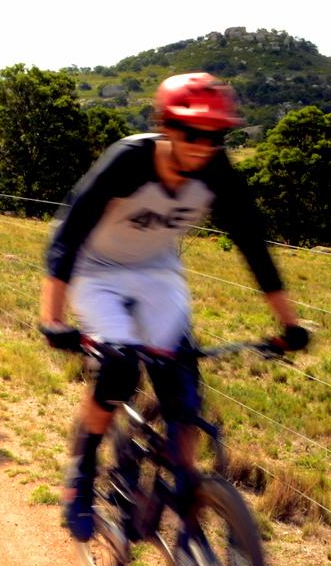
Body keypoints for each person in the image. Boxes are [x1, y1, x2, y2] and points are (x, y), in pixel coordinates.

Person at [37, 72, 310, 541]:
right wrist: (53, 318)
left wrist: (289, 324)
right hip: (99, 272)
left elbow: (252, 246)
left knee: (183, 392)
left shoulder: (216, 171)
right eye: (192, 132)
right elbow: (67, 236)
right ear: (165, 125)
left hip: (158, 274)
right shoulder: (129, 160)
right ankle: (81, 472)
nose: (205, 145)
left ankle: (188, 502)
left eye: (217, 135)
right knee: (119, 371)